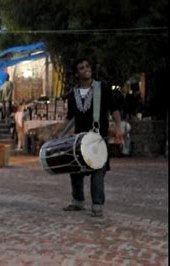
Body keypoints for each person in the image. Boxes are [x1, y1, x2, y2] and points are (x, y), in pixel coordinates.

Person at [62, 58, 123, 217]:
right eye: (81, 68)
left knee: (97, 171)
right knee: (75, 169)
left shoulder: (102, 88)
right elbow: (70, 118)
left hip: (98, 138)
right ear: (77, 73)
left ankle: (97, 205)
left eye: (87, 66)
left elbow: (114, 109)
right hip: (79, 139)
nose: (86, 69)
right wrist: (61, 135)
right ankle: (78, 202)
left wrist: (118, 126)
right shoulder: (72, 94)